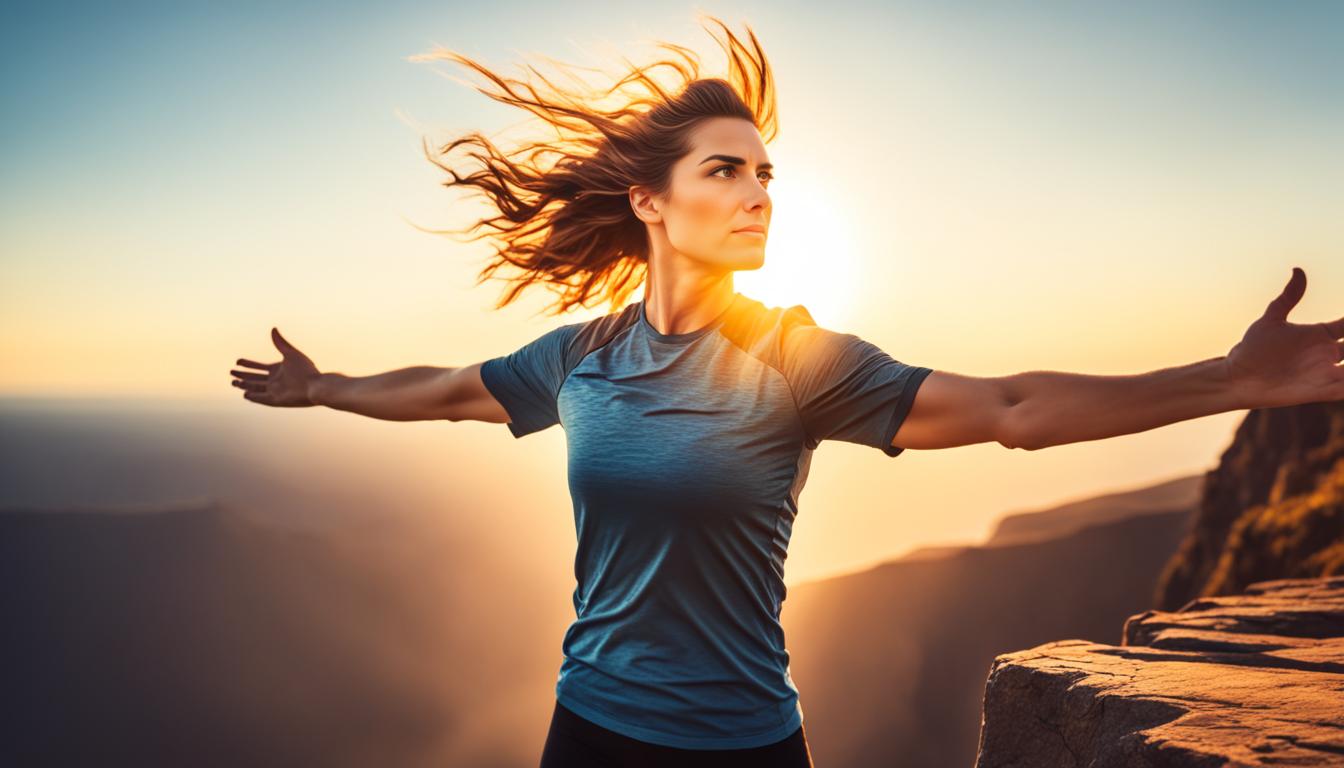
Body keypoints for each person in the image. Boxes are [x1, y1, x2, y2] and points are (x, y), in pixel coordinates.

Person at [229, 14, 1344, 768]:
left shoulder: (798, 361)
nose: (760, 193)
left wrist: (1231, 380)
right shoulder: (581, 356)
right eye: (726, 170)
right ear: (651, 204)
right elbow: (445, 390)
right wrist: (324, 386)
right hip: (587, 730)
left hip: (742, 745)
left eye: (766, 173)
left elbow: (1016, 410)